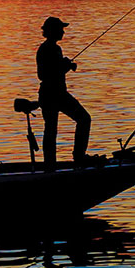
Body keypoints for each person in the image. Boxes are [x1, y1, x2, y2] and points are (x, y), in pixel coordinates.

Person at [36, 16, 91, 169]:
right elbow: (46, 74)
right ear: (53, 31)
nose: (63, 32)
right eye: (61, 29)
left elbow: (50, 71)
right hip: (55, 94)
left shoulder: (47, 48)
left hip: (49, 94)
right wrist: (66, 66)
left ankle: (50, 164)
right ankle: (78, 157)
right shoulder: (52, 48)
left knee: (51, 129)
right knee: (84, 119)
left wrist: (65, 65)